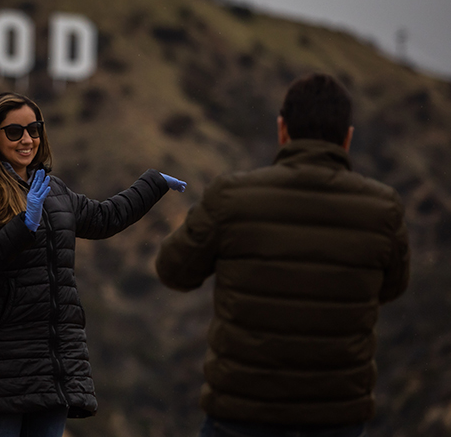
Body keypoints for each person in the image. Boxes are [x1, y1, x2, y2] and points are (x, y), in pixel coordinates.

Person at [155, 73, 410, 437]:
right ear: (347, 138)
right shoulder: (383, 209)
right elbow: (392, 287)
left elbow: (172, 270)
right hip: (336, 418)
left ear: (282, 129)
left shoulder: (231, 197)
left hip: (239, 415)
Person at [0, 92, 186, 437]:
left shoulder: (52, 190)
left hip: (54, 362)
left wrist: (152, 184)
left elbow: (105, 218)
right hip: (2, 362)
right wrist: (23, 225)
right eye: (14, 132)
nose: (27, 139)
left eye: (34, 129)